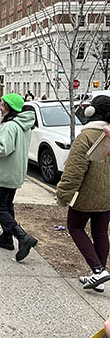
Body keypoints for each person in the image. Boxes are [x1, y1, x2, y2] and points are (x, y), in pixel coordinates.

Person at [56, 96, 110, 291]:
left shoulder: (86, 137)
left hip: (86, 194)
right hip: (107, 196)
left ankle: (97, 270)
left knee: (75, 226)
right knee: (101, 233)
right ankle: (99, 277)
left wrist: (63, 194)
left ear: (91, 112)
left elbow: (74, 171)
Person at [0, 93, 38, 261]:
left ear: (9, 107)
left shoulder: (10, 126)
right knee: (7, 205)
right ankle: (6, 237)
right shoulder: (24, 125)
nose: (0, 107)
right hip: (16, 173)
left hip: (5, 173)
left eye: (2, 104)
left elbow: (3, 149)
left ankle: (22, 237)